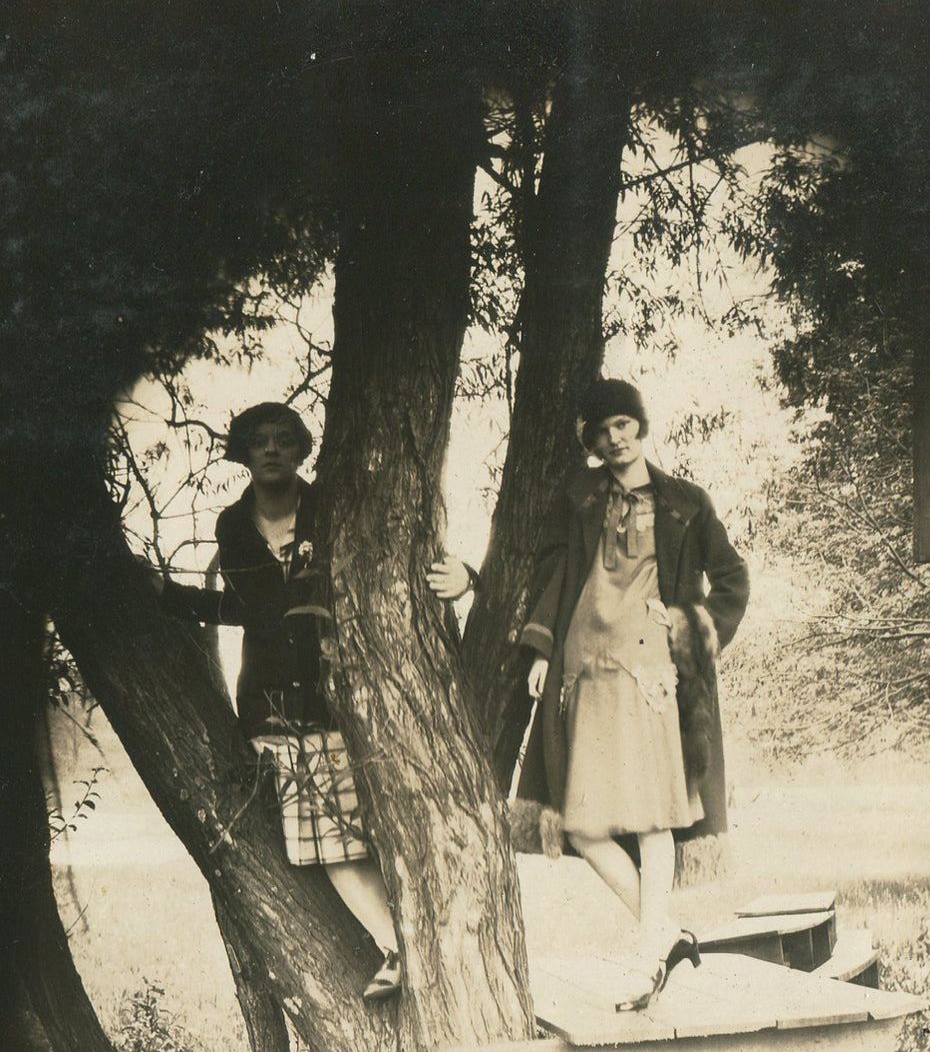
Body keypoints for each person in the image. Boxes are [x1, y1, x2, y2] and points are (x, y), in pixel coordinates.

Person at [161, 402, 473, 1003]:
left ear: (302, 450)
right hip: (273, 704)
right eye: (258, 441)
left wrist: (469, 576)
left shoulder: (330, 510)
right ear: (243, 454)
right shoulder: (234, 525)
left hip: (345, 700)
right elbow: (254, 609)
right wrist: (170, 597)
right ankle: (402, 948)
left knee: (359, 836)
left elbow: (390, 568)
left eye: (284, 439)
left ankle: (410, 948)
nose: (271, 450)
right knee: (325, 842)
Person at [519, 379, 749, 1012]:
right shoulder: (579, 497)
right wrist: (541, 650)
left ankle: (650, 948)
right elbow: (553, 573)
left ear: (640, 426)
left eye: (623, 424)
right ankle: (665, 933)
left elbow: (732, 578)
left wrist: (689, 628)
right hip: (583, 667)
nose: (614, 438)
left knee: (651, 814)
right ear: (592, 442)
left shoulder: (686, 503)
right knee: (579, 823)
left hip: (649, 670)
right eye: (602, 430)